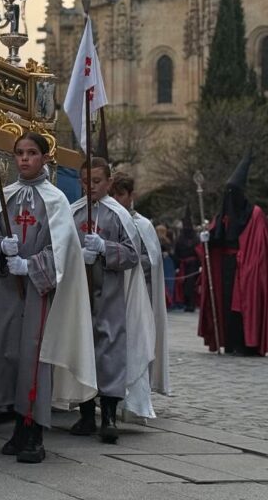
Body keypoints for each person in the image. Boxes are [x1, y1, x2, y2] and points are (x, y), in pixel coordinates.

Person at [0, 133, 96, 464]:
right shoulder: (5, 197)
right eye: (19, 153)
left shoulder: (56, 201)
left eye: (32, 153)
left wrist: (30, 264)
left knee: (33, 359)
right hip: (7, 289)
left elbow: (64, 253)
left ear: (45, 158)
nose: (24, 159)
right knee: (8, 354)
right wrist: (1, 248)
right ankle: (18, 424)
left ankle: (34, 431)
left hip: (40, 292)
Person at [68, 157, 150, 443]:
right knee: (83, 349)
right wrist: (79, 254)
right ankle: (86, 413)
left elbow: (132, 255)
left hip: (110, 294)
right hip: (81, 294)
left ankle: (110, 415)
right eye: (85, 181)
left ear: (109, 182)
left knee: (109, 350)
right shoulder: (73, 212)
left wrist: (105, 248)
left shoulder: (118, 215)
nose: (90, 186)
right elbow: (59, 250)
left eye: (97, 181)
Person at [197, 153, 268, 356]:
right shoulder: (223, 213)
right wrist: (207, 238)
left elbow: (261, 246)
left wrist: (248, 264)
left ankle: (246, 342)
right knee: (225, 305)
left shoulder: (255, 214)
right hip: (225, 267)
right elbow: (217, 235)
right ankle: (228, 341)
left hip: (246, 267)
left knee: (243, 306)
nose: (231, 196)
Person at [110, 172, 170, 419]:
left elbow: (151, 261)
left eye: (120, 194)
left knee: (135, 346)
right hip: (110, 295)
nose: (116, 199)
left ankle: (135, 403)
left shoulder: (142, 225)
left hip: (137, 297)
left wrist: (123, 258)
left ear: (131, 196)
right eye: (113, 193)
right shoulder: (105, 217)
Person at [173, 207, 200, 312]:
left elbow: (199, 251)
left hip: (193, 265)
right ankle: (186, 303)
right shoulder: (180, 238)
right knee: (184, 285)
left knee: (191, 284)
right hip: (183, 264)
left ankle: (191, 304)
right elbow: (177, 252)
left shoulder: (195, 238)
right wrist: (177, 264)